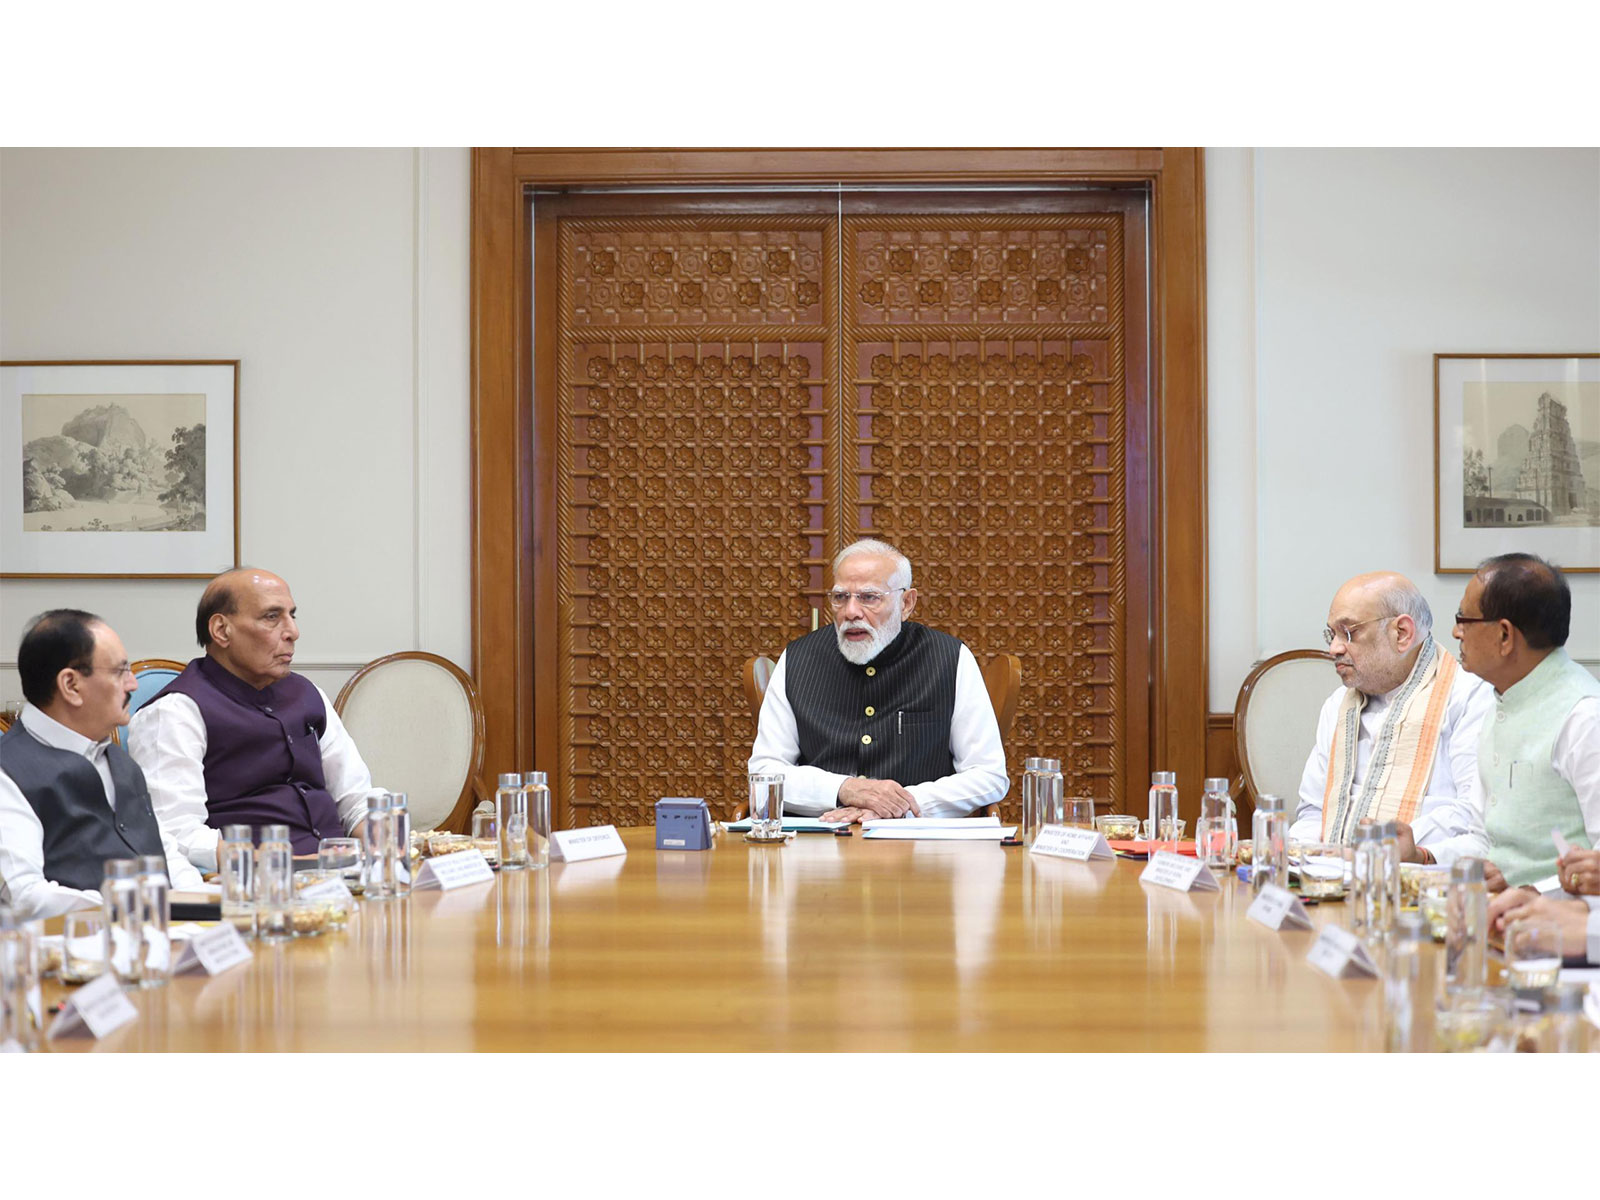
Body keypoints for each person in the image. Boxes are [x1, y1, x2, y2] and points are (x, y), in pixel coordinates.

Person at [127, 568, 379, 865]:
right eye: (271, 617)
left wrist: (384, 850)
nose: (293, 632)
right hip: (251, 881)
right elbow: (174, 834)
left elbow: (355, 797)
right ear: (221, 630)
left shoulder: (308, 694)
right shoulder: (174, 712)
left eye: (292, 616)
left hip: (343, 874)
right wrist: (278, 863)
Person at [746, 539, 1008, 822]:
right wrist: (844, 789)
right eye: (840, 597)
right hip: (819, 837)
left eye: (869, 597)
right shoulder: (798, 658)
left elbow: (988, 775)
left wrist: (899, 805)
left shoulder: (950, 658)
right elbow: (764, 773)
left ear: (906, 603)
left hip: (917, 842)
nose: (851, 612)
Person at [0, 610, 202, 919]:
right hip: (71, 942)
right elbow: (25, 897)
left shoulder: (120, 761)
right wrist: (140, 906)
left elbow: (167, 854)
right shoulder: (9, 772)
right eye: (120, 672)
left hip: (165, 934)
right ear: (71, 685)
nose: (133, 684)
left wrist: (201, 901)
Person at [1292, 572, 1492, 864]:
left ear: (1402, 634)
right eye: (1331, 634)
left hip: (1422, 876)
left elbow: (1474, 816)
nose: (1334, 648)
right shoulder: (1337, 705)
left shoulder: (1467, 696)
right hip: (1329, 876)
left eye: (1348, 633)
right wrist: (1303, 857)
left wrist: (1384, 848)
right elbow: (1313, 811)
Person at [1453, 553, 1600, 893]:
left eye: (1463, 619)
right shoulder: (1502, 700)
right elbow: (1482, 838)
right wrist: (1422, 856)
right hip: (1498, 911)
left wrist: (1535, 890)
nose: (1456, 631)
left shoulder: (1584, 716)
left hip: (1563, 919)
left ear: (1505, 635)